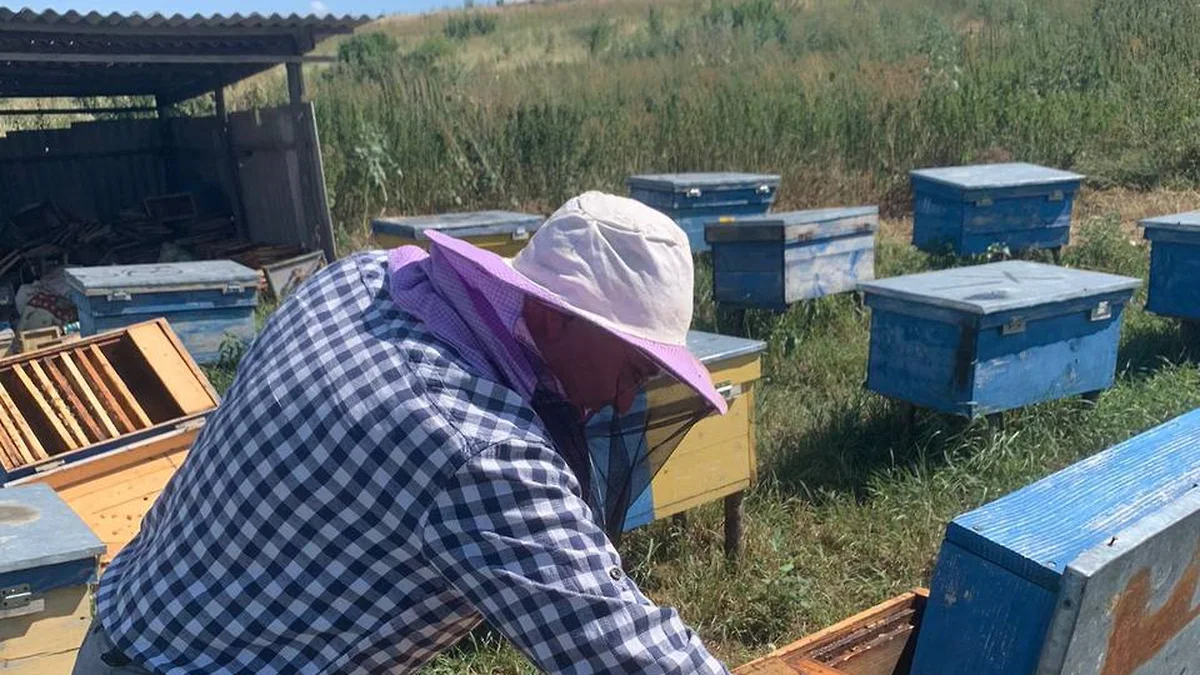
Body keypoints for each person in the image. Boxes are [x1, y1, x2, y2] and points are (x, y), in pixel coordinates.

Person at [74, 192, 732, 674]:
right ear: (556, 320)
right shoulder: (479, 450)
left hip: (125, 624)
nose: (624, 397)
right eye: (633, 370)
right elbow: (624, 649)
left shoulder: (357, 279)